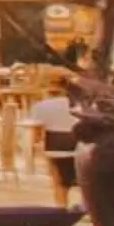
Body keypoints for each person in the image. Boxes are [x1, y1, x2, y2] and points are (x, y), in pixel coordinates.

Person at [25, 78, 81, 210]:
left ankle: (61, 207)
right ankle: (85, 206)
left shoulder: (41, 106)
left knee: (58, 181)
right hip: (78, 143)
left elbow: (36, 129)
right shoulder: (78, 104)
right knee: (81, 180)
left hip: (55, 145)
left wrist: (35, 145)